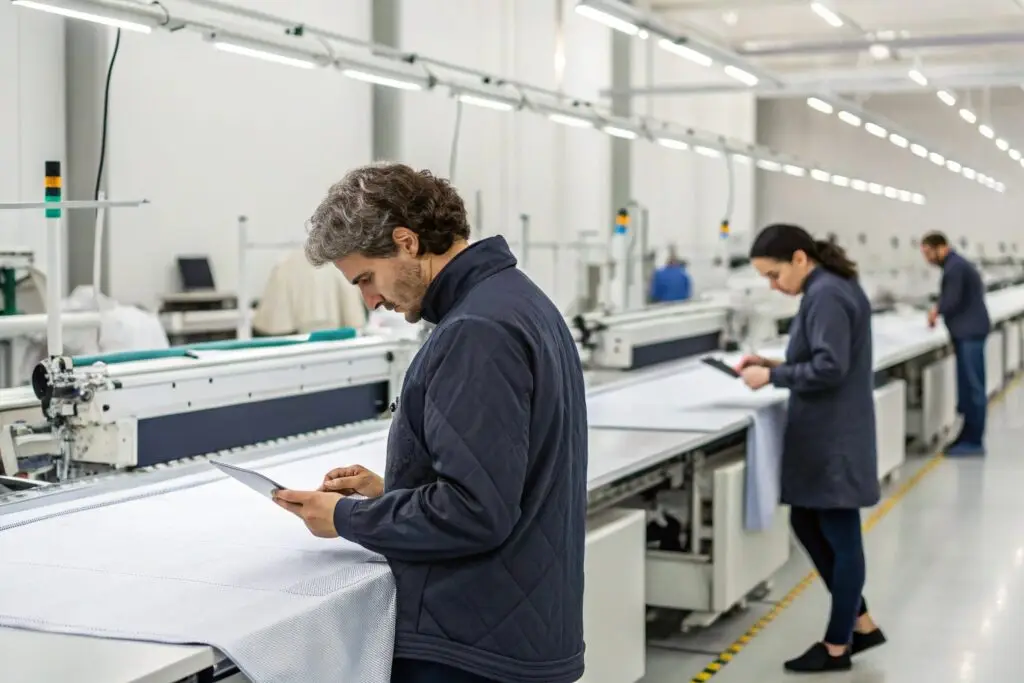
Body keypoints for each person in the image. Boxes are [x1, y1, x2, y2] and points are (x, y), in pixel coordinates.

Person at [271, 162, 588, 683]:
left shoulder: (476, 331)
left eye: (366, 279)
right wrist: (394, 490)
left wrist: (346, 518)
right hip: (513, 625)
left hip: (473, 645)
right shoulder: (514, 300)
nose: (370, 301)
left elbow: (475, 512)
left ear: (407, 242)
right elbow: (500, 478)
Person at [734, 224, 885, 673]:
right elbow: (822, 354)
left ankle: (838, 646)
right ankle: (861, 622)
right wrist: (772, 363)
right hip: (828, 430)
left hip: (834, 436)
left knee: (841, 535)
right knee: (806, 519)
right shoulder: (826, 289)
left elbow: (830, 366)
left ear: (800, 259)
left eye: (774, 274)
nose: (772, 285)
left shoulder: (827, 294)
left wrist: (772, 377)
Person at [919, 232, 991, 456]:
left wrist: (935, 311)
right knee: (967, 389)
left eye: (928, 253)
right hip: (967, 334)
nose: (927, 259)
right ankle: (966, 436)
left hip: (970, 335)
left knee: (973, 388)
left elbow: (951, 299)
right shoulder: (956, 265)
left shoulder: (955, 268)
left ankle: (974, 441)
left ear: (941, 248)